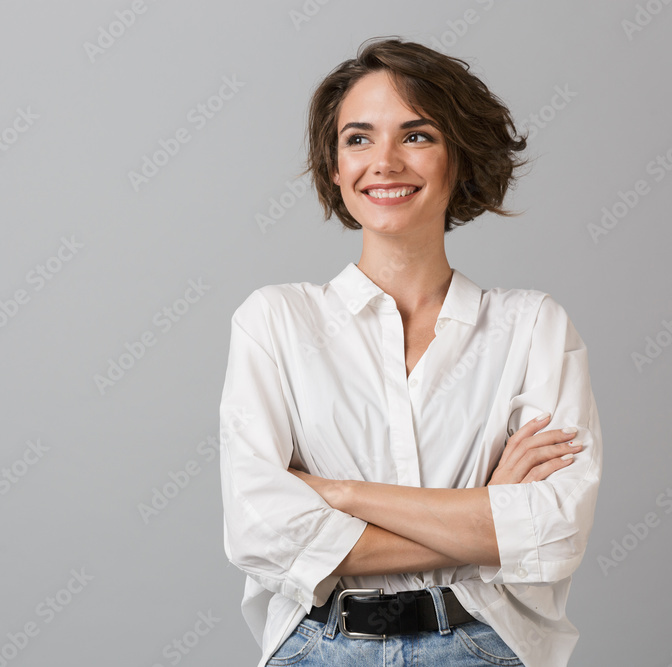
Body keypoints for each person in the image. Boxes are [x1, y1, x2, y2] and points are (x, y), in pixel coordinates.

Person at [218, 37, 602, 667]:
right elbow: (261, 532)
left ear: (460, 158)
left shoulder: (533, 327)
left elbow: (553, 531)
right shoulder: (275, 321)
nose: (385, 162)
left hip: (482, 648)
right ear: (335, 167)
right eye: (359, 139)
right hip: (319, 648)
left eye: (417, 136)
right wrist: (485, 520)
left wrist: (340, 494)